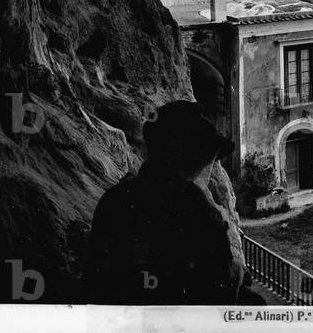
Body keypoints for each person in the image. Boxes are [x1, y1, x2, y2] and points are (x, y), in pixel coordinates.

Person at [85, 100, 247, 304]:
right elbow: (218, 296)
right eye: (207, 156)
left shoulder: (115, 198)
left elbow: (96, 283)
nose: (207, 164)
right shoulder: (197, 210)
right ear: (192, 156)